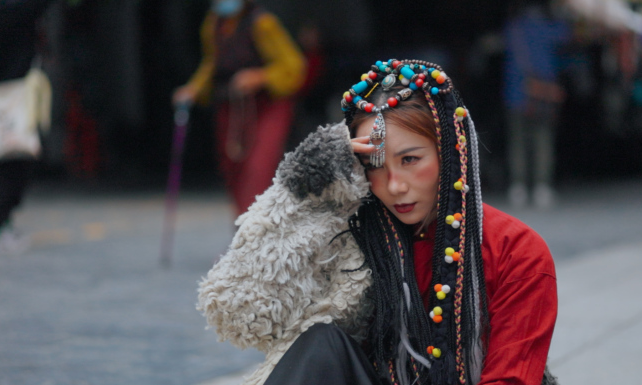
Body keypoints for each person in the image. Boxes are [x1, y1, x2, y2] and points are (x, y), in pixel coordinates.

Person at [197, 59, 558, 385]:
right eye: (374, 167)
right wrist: (304, 184)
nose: (395, 186)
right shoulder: (353, 235)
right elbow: (240, 308)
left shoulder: (516, 250)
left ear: (450, 150)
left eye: (411, 159)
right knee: (321, 343)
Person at [173, 0, 306, 215]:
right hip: (231, 108)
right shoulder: (213, 24)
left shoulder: (263, 23)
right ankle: (244, 229)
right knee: (233, 169)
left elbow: (293, 65)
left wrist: (259, 77)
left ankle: (256, 228)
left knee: (258, 169)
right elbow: (212, 63)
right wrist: (194, 89)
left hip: (266, 108)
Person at [0, 0, 54, 256]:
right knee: (16, 157)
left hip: (16, 88)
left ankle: (4, 220)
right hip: (14, 89)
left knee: (16, 154)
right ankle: (3, 220)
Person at [503, 1, 570, 208]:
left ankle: (518, 187)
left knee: (517, 142)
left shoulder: (512, 28)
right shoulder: (548, 27)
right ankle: (542, 187)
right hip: (542, 94)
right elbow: (567, 35)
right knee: (543, 141)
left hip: (515, 93)